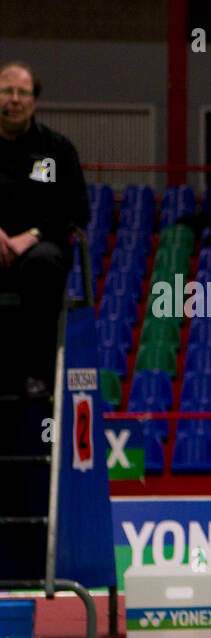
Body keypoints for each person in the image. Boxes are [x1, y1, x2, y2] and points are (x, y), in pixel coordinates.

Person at [0, 60, 89, 395]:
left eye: (22, 92)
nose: (14, 99)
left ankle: (36, 376)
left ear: (34, 102)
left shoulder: (56, 150)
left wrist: (31, 236)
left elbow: (78, 210)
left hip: (39, 250)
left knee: (44, 264)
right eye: (7, 91)